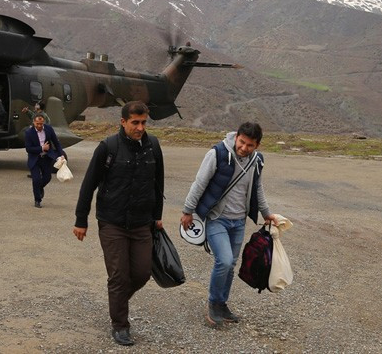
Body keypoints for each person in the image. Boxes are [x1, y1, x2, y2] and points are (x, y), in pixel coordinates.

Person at [73, 101, 164, 347]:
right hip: (112, 222)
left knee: (143, 272)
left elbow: (158, 183)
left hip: (141, 223)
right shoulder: (108, 148)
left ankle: (118, 302)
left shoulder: (153, 146)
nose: (140, 127)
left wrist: (157, 216)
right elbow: (88, 185)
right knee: (119, 275)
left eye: (144, 122)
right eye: (135, 122)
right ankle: (120, 325)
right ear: (123, 122)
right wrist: (81, 220)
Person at [180, 122, 279, 327]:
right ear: (236, 137)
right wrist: (187, 211)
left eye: (250, 145)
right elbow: (199, 183)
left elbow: (257, 189)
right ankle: (213, 303)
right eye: (241, 142)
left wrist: (266, 213)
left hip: (239, 221)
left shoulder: (257, 161)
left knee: (231, 264)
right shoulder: (217, 154)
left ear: (257, 145)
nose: (244, 148)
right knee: (224, 261)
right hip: (217, 218)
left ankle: (221, 304)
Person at [24, 114, 62, 208]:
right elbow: (28, 149)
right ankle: (37, 200)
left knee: (47, 177)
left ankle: (39, 188)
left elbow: (56, 142)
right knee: (36, 180)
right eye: (37, 124)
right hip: (35, 159)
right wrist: (42, 148)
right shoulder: (29, 133)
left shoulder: (49, 129)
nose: (39, 126)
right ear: (34, 122)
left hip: (46, 158)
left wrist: (61, 154)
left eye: (41, 124)